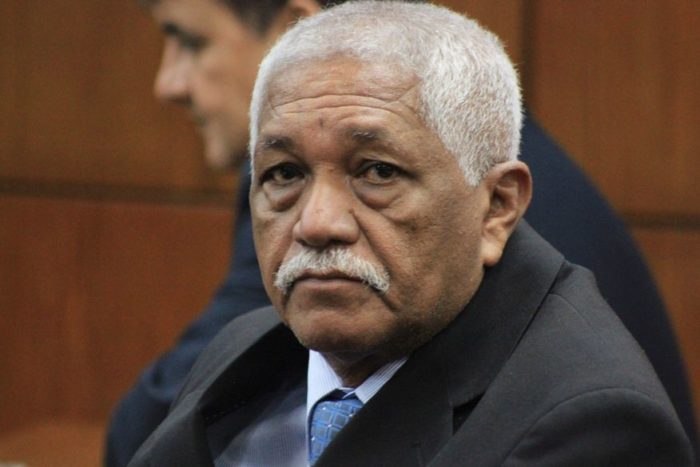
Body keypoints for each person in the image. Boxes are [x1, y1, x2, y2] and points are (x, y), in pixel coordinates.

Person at [106, 0, 697, 465]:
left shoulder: (592, 424)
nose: (317, 223)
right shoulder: (246, 349)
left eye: (377, 173)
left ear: (497, 207)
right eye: (285, 174)